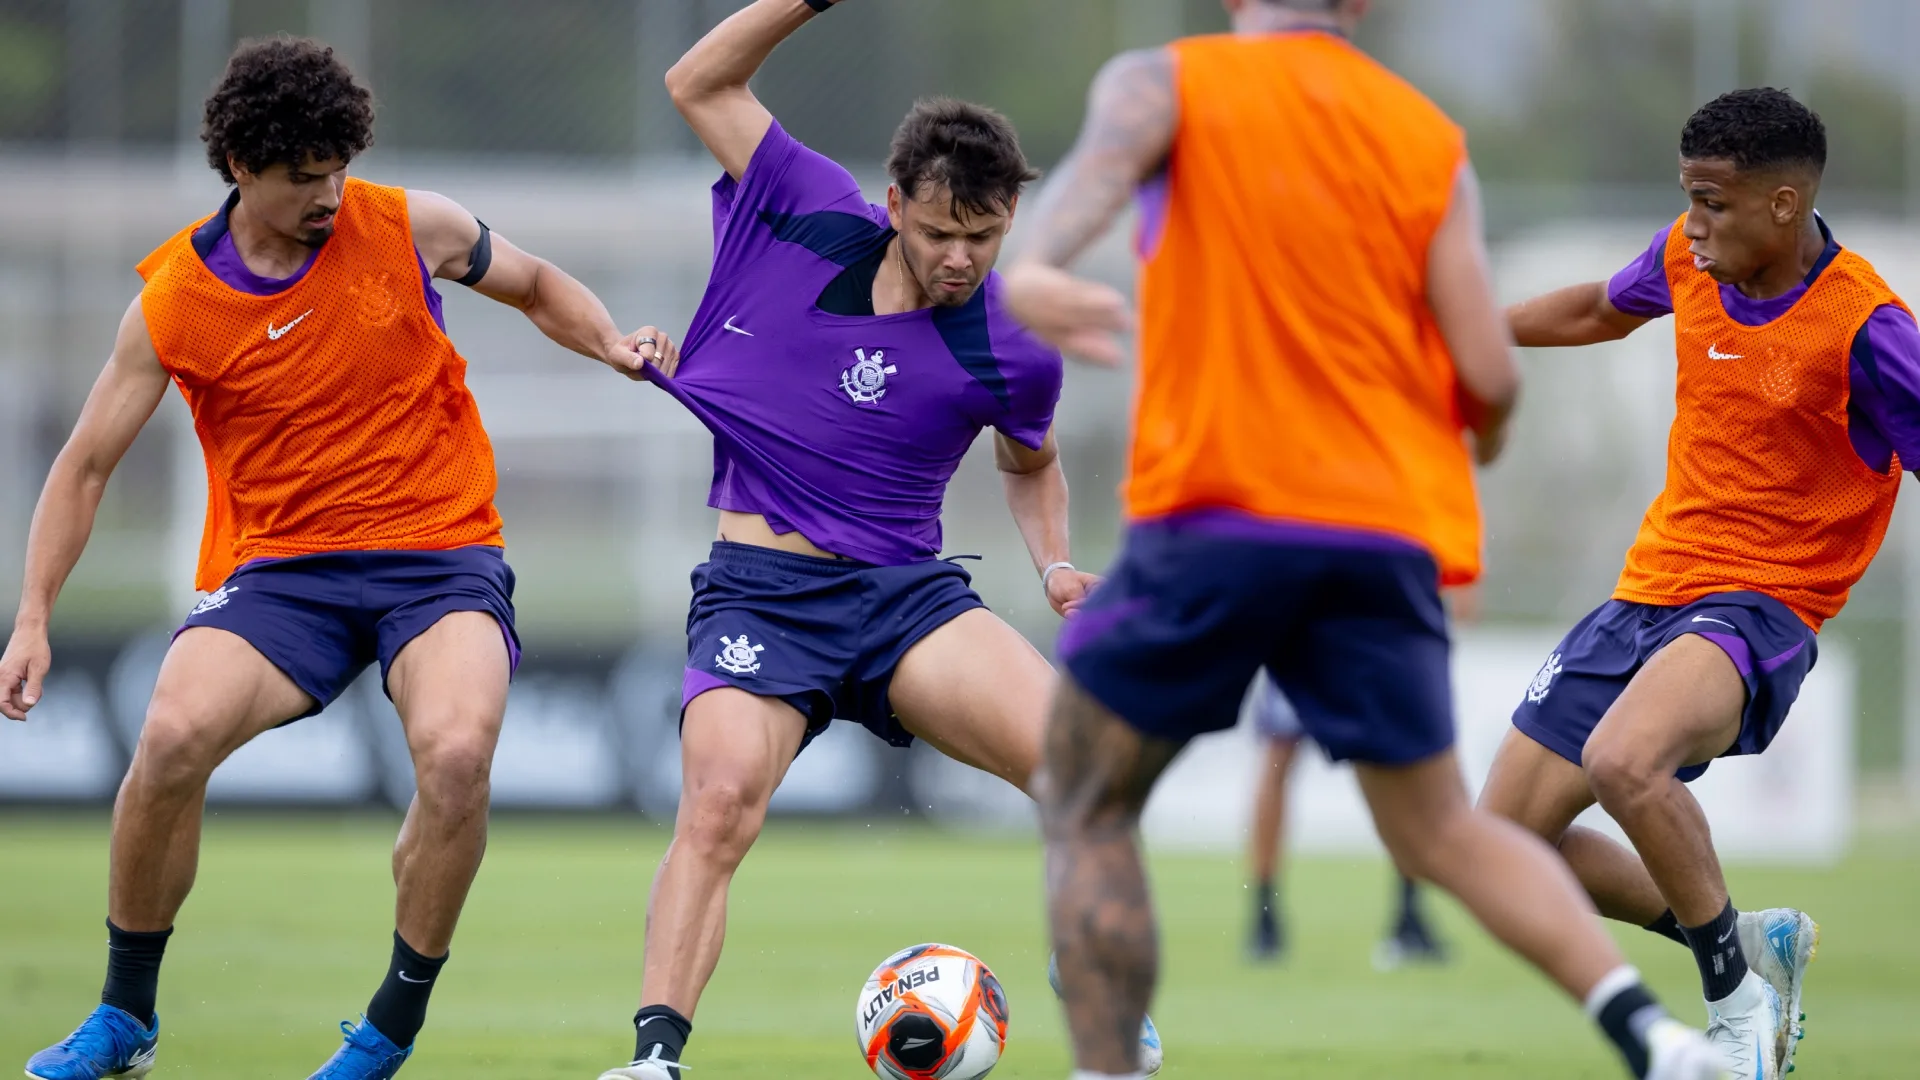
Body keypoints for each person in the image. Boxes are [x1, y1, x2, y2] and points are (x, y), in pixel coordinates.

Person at [1001, 2, 1726, 1079]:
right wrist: (1480, 438)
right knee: (1442, 830)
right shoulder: (1427, 137)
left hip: (1218, 510)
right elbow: (1489, 374)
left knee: (1087, 795)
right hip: (1380, 534)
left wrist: (1037, 267)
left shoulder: (1166, 79)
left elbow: (1083, 189)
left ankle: (1110, 1069)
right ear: (1363, 4)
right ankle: (1655, 1036)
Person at [4, 37, 676, 1080]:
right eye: (303, 175)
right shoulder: (177, 299)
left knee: (457, 756)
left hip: (441, 557)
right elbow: (87, 465)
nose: (329, 192)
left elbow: (539, 285)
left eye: (337, 167)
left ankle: (386, 1033)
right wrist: (36, 616)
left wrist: (613, 347)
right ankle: (123, 1018)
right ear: (240, 168)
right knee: (171, 736)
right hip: (284, 575)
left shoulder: (413, 226)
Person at [593, 2, 1158, 1077]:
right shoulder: (801, 206)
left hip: (905, 600)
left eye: (984, 237)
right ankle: (655, 1059)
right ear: (894, 201)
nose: (959, 258)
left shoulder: (1014, 347)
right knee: (716, 807)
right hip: (762, 591)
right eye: (940, 231)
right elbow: (698, 85)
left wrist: (1052, 564)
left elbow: (1029, 464)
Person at [1481, 86, 1920, 1080]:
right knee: (1495, 846)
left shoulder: (1867, 327)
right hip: (1646, 591)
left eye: (1714, 201)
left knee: (1623, 761)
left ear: (1783, 203)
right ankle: (1743, 939)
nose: (1694, 220)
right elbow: (1599, 307)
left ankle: (1736, 1013)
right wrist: (1461, 330)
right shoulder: (1691, 258)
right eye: (1689, 196)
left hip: (1760, 608)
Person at [1241, 672, 1447, 968]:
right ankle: (1264, 916)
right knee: (1389, 760)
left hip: (1313, 642)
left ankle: (1264, 920)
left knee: (1389, 761)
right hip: (1350, 643)